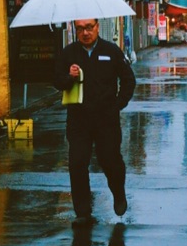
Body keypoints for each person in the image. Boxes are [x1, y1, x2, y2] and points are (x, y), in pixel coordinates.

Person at [52, 18, 136, 222]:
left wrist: (117, 105)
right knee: (77, 163)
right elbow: (56, 81)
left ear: (97, 27)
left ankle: (118, 193)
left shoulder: (111, 51)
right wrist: (68, 77)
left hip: (106, 119)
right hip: (78, 120)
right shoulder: (69, 53)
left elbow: (128, 80)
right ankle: (82, 212)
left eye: (89, 27)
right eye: (80, 29)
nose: (85, 33)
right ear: (75, 30)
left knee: (110, 161)